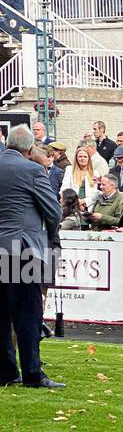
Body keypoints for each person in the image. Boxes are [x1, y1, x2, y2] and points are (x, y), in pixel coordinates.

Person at [0, 125, 64, 389]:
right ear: (29, 148)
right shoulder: (33, 170)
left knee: (1, 314)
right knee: (28, 313)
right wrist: (47, 235)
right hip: (23, 250)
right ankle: (33, 374)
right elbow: (54, 211)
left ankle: (6, 373)